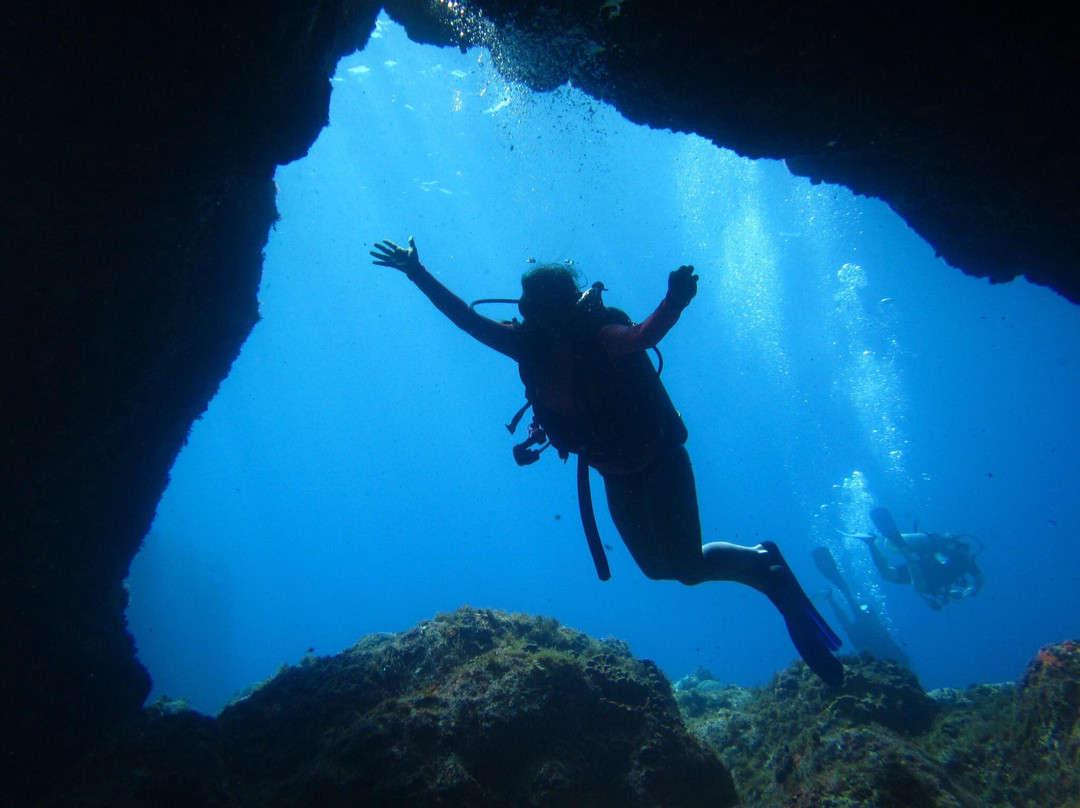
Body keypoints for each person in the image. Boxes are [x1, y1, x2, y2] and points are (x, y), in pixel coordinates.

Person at [370, 236, 843, 686]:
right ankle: (763, 565)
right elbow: (464, 319)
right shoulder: (524, 344)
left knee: (687, 568)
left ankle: (765, 567)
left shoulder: (599, 337)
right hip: (613, 475)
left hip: (660, 464)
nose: (523, 309)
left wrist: (675, 300)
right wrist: (416, 272)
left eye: (530, 300)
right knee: (659, 571)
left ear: (551, 304)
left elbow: (642, 335)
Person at [849, 507, 985, 611]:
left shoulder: (963, 563)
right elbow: (979, 579)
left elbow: (978, 580)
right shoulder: (966, 562)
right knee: (919, 587)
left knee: (888, 573)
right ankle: (903, 552)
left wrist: (959, 593)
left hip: (924, 565)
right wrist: (972, 591)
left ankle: (871, 543)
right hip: (925, 573)